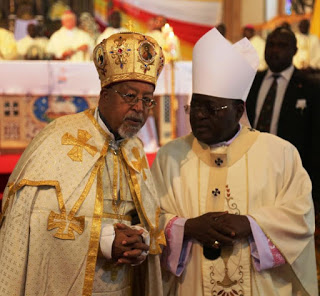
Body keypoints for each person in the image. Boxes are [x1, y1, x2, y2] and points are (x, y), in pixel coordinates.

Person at [151, 28, 318, 295]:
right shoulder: (169, 158)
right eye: (195, 107)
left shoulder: (279, 154)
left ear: (239, 110)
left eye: (211, 108)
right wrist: (187, 227)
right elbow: (149, 218)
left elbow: (301, 216)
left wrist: (251, 225)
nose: (200, 116)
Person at [0, 32, 166, 295]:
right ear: (105, 94)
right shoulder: (60, 136)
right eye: (130, 96)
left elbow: (144, 214)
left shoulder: (135, 148)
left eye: (147, 100)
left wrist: (141, 238)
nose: (139, 108)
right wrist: (105, 241)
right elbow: (33, 221)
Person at [246, 27, 320, 214]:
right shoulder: (252, 81)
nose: (274, 50)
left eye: (281, 45)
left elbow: (315, 137)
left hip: (290, 171)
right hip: (252, 166)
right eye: (271, 45)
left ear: (294, 51)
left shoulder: (309, 86)